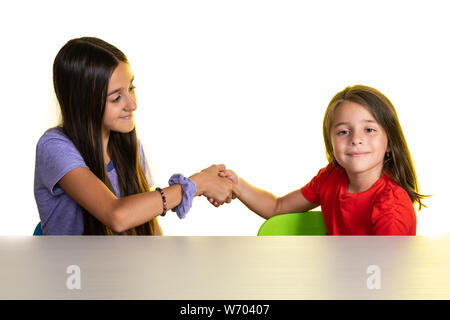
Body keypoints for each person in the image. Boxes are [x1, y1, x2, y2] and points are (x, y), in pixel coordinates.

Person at [34, 37, 234, 235]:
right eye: (116, 98)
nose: (132, 105)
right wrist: (197, 184)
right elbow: (117, 216)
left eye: (131, 88)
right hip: (73, 267)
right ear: (83, 104)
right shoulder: (54, 147)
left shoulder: (129, 147)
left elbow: (149, 228)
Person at [217, 85, 427, 235]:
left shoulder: (392, 206)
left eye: (369, 130)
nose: (356, 139)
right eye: (344, 131)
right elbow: (276, 207)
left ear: (390, 142)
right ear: (330, 142)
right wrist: (238, 186)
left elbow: (384, 275)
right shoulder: (330, 179)